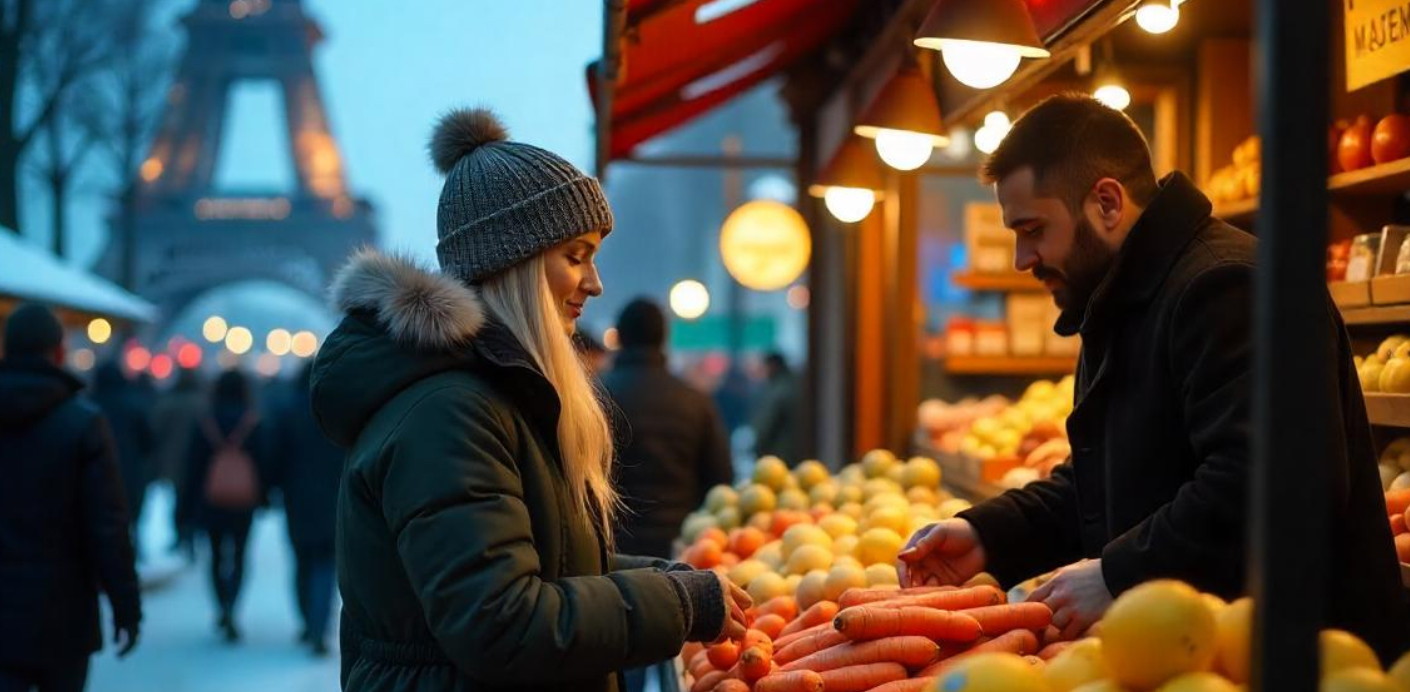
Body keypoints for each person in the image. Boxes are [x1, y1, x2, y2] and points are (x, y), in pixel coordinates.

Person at [897, 94, 1408, 658]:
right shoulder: (1123, 298)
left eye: (1033, 228)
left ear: (1108, 203)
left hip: (1302, 659)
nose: (1023, 257)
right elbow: (1102, 480)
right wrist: (987, 534)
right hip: (1198, 647)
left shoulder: (1228, 287)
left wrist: (1118, 574)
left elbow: (1272, 484)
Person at [309, 108, 750, 692]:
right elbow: (501, 622)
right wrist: (678, 602)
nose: (594, 283)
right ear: (512, 262)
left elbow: (543, 568)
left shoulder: (482, 395)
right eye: (575, 255)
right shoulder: (451, 413)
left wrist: (673, 580)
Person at [0, 303, 141, 691]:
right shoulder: (81, 424)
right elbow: (108, 525)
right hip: (62, 613)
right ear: (59, 352)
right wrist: (126, 607)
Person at [180, 368, 268, 643]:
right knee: (240, 554)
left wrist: (185, 507)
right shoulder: (253, 421)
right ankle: (233, 604)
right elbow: (265, 462)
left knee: (216, 555)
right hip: (244, 501)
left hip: (211, 500)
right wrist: (264, 495)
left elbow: (192, 468)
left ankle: (221, 605)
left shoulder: (205, 422)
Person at [269, 362, 342, 656]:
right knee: (326, 562)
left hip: (296, 497)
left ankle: (306, 619)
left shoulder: (287, 411)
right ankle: (319, 625)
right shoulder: (338, 411)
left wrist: (271, 487)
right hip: (333, 497)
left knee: (301, 560)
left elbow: (275, 456)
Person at [91, 360, 154, 555]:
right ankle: (131, 547)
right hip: (129, 469)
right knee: (129, 513)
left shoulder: (87, 406)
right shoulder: (134, 405)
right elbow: (149, 442)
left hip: (94, 471)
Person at [149, 367, 205, 557]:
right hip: (196, 460)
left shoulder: (169, 403)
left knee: (177, 498)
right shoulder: (202, 403)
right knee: (193, 499)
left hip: (172, 459)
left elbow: (155, 431)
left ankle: (180, 534)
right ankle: (190, 534)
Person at [751, 352, 801, 464]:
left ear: (772, 366)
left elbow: (766, 423)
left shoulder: (779, 389)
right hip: (791, 451)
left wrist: (757, 447)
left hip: (779, 454)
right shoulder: (792, 384)